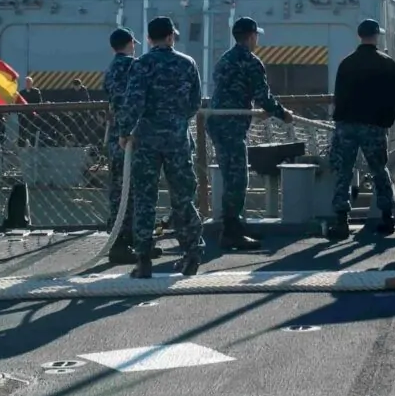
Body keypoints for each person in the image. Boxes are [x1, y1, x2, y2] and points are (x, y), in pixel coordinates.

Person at [116, 16, 204, 278]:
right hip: (178, 139)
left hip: (147, 140)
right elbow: (195, 103)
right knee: (183, 198)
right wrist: (177, 120)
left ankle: (143, 260)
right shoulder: (187, 64)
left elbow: (133, 102)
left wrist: (124, 132)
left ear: (150, 38)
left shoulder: (141, 65)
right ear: (170, 37)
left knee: (145, 199)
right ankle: (192, 253)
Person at [209, 17, 295, 250]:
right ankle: (230, 232)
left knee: (231, 175)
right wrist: (283, 114)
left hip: (218, 122)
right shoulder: (251, 61)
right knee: (237, 178)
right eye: (256, 36)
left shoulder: (224, 59)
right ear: (251, 36)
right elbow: (263, 97)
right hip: (231, 125)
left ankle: (235, 225)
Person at [325, 19, 395, 240]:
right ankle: (387, 217)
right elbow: (392, 99)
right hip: (374, 125)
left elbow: (339, 97)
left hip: (347, 124)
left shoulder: (346, 63)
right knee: (379, 170)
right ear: (376, 36)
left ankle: (341, 221)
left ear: (359, 35)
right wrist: (386, 122)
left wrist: (340, 121)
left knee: (343, 171)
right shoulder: (387, 64)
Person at [102, 27, 139, 265]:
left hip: (115, 136)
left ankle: (118, 237)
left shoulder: (109, 70)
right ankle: (126, 241)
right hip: (131, 136)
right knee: (133, 191)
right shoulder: (134, 66)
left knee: (117, 189)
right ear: (130, 43)